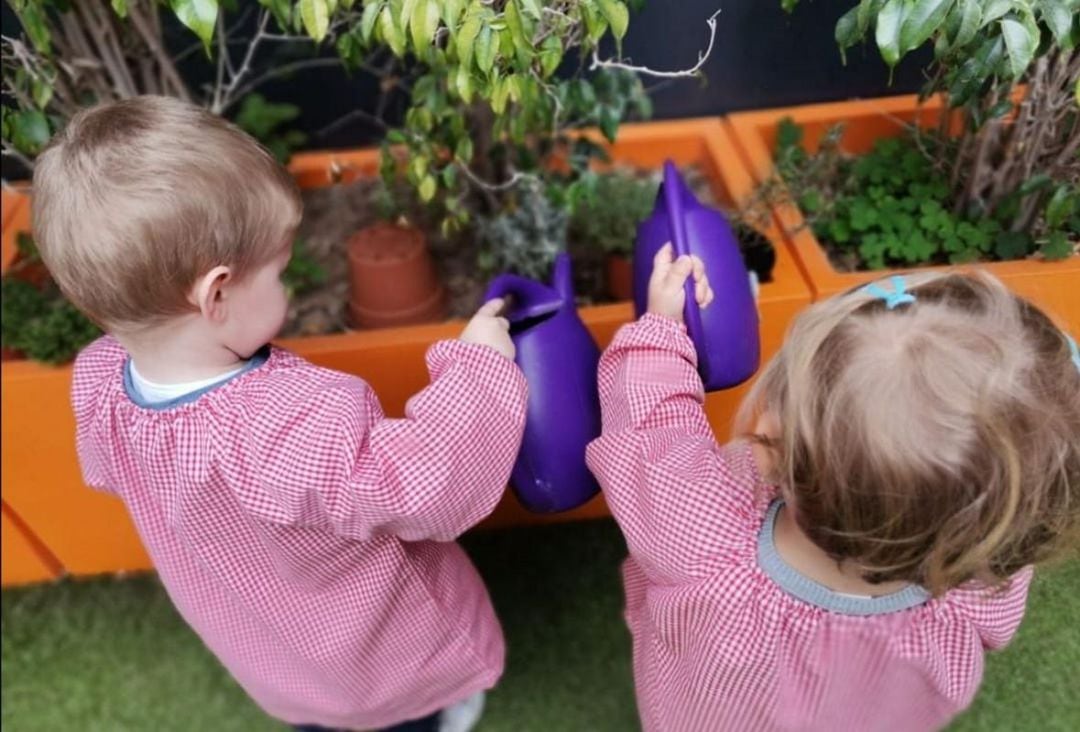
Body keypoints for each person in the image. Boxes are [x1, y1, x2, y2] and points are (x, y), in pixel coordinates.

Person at [32, 96, 528, 732]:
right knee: (401, 713)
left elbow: (107, 471)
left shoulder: (100, 381)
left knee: (318, 707)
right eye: (281, 272)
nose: (289, 288)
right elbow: (424, 486)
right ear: (216, 295)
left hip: (268, 644)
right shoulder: (293, 421)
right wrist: (478, 369)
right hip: (373, 653)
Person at [587, 245, 1080, 730]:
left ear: (775, 444)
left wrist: (661, 332)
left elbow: (648, 437)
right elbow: (998, 620)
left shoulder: (704, 533)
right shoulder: (981, 566)